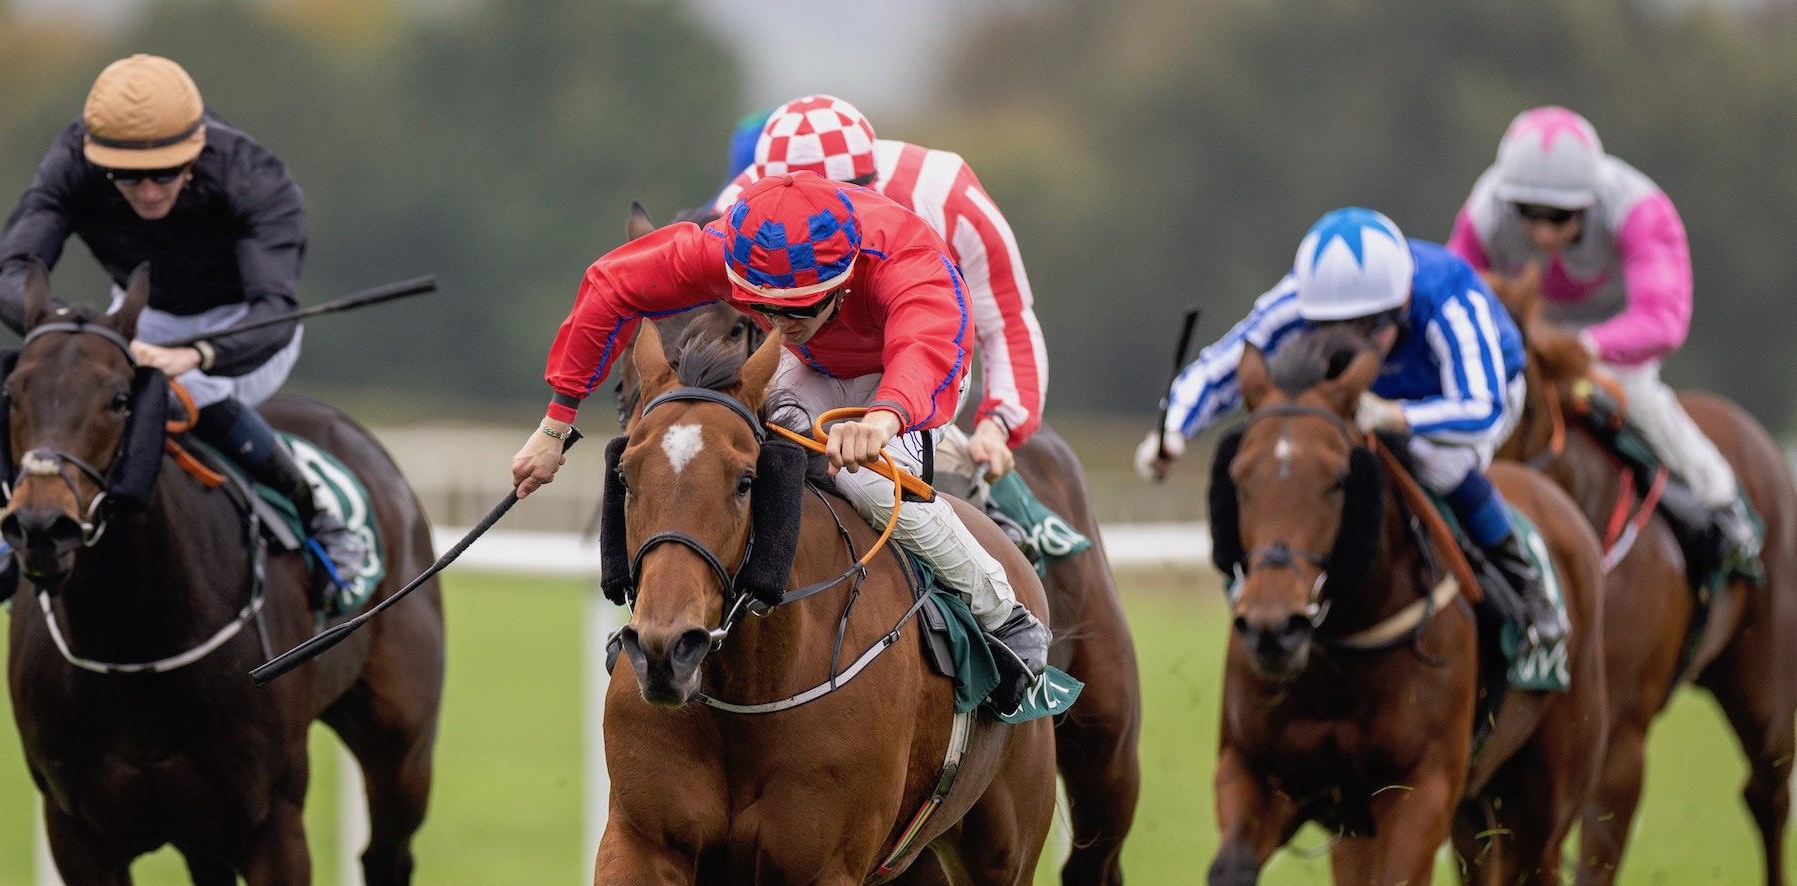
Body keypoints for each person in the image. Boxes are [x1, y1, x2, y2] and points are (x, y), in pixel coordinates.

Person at [508, 171, 1051, 681]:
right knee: (750, 455)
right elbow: (610, 286)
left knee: (866, 482)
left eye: (797, 311)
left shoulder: (906, 261)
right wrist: (556, 424)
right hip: (816, 363)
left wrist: (882, 417)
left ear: (842, 285)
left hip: (908, 371)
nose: (781, 324)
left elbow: (924, 346)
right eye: (764, 308)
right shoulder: (723, 248)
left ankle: (1003, 613)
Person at [0, 53, 363, 607]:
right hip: (142, 317)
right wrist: (67, 328)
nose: (149, 191)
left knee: (176, 395)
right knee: (63, 384)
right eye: (128, 177)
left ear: (196, 152)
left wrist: (199, 354)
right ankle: (32, 522)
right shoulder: (71, 161)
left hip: (247, 328)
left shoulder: (253, 179)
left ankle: (319, 514)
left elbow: (273, 310)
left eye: (165, 173)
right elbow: (7, 272)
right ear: (97, 160)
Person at [1138, 207, 1565, 645]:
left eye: (1366, 327)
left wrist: (1395, 417)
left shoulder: (1448, 298)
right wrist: (1173, 431)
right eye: (1330, 327)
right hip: (1365, 392)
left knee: (1437, 462)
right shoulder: (1302, 297)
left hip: (1479, 388)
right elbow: (1221, 367)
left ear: (1401, 304)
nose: (1348, 339)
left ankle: (1524, 585)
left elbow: (1482, 408)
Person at [1448, 105, 1758, 571]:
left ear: (1591, 202)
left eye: (1560, 217)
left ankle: (1721, 500)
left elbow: (1663, 321)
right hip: (1529, 336)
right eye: (1528, 215)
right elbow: (1455, 295)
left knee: (1637, 395)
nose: (1543, 232)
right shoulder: (1486, 207)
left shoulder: (1640, 209)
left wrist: (1583, 348)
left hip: (1613, 342)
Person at [716, 94, 1048, 481]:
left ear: (871, 185)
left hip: (926, 359)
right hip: (809, 363)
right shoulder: (738, 209)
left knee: (913, 473)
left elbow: (1006, 319)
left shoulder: (946, 195)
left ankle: (1003, 506)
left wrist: (997, 426)